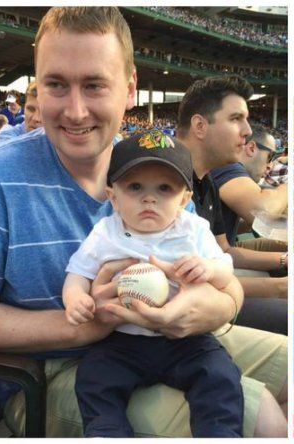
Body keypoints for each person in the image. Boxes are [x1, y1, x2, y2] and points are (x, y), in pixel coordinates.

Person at [0, 7, 286, 438]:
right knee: (260, 415)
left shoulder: (153, 168)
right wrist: (86, 320)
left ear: (130, 88)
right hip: (54, 370)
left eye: (95, 85)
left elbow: (222, 281)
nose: (76, 111)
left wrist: (213, 307)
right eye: (56, 85)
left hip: (175, 339)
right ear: (37, 87)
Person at [63, 131, 244, 437]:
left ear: (185, 199)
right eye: (135, 187)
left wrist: (208, 269)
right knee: (93, 379)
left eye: (164, 188)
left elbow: (227, 272)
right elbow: (77, 273)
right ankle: (107, 433)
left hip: (186, 340)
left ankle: (219, 434)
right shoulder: (106, 232)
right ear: (113, 197)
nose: (150, 198)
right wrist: (75, 299)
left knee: (219, 375)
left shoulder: (194, 229)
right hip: (122, 340)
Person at [177, 76, 288, 334]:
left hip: (213, 290)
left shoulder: (207, 179)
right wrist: (281, 287)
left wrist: (283, 262)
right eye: (236, 118)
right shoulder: (165, 181)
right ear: (200, 126)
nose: (248, 130)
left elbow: (225, 251)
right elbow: (192, 281)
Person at [211, 123, 287, 250]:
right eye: (270, 157)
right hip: (214, 260)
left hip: (223, 249)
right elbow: (264, 213)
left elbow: (222, 228)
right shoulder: (228, 166)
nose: (270, 166)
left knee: (286, 248)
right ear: (251, 148)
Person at [0, 81, 42, 146]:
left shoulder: (22, 111)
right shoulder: (3, 112)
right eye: (30, 109)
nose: (36, 118)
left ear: (17, 99)